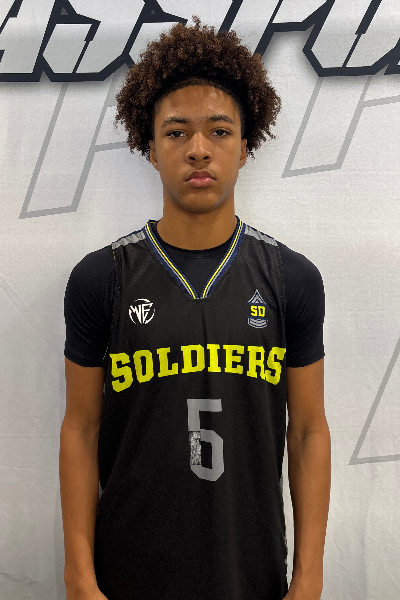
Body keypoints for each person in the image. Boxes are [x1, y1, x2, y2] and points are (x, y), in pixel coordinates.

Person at [59, 17, 331, 600]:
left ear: (246, 146)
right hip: (126, 576)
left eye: (219, 131)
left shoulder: (292, 279)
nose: (199, 149)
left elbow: (309, 430)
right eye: (177, 132)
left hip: (251, 573)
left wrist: (309, 577)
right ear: (150, 147)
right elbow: (81, 428)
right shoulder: (101, 279)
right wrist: (79, 576)